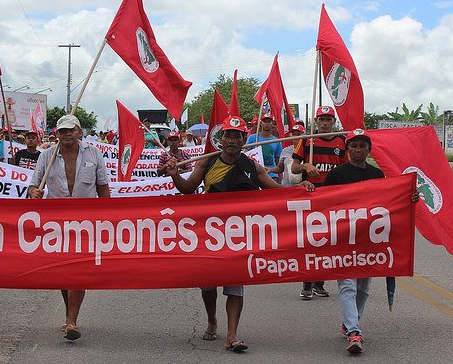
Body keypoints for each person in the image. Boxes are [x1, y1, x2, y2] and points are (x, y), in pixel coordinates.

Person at [165, 116, 314, 353]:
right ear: (220, 139)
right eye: (228, 135)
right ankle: (212, 321)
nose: (232, 140)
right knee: (208, 286)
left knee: (235, 286)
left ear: (244, 140)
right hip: (209, 234)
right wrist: (175, 175)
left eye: (237, 136)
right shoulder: (206, 163)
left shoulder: (252, 167)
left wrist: (298, 189)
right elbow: (187, 189)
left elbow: (276, 191)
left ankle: (232, 335)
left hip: (238, 236)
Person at [323, 129, 419, 354]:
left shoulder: (377, 175)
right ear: (347, 150)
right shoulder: (336, 175)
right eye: (354, 146)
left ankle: (349, 322)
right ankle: (354, 331)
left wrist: (409, 198)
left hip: (369, 241)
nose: (358, 150)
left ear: (369, 150)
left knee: (364, 288)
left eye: (362, 146)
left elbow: (390, 202)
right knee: (347, 284)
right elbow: (321, 204)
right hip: (344, 239)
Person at [28, 115, 110, 341]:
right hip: (57, 223)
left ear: (79, 132)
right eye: (62, 131)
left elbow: (103, 188)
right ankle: (69, 316)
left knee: (78, 271)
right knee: (64, 272)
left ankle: (72, 320)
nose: (66, 135)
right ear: (57, 135)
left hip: (87, 221)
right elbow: (33, 186)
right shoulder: (47, 156)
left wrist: (109, 218)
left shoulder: (94, 154)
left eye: (70, 130)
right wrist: (34, 193)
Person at [291, 105, 347, 300]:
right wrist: (306, 165)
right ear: (316, 121)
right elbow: (294, 167)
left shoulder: (342, 141)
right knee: (310, 240)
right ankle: (307, 283)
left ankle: (319, 283)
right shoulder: (307, 141)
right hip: (311, 197)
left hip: (332, 198)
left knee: (328, 241)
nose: (324, 123)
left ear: (333, 122)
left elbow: (347, 168)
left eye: (328, 120)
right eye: (321, 119)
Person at [245, 115, 282, 183]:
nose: (267, 123)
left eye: (269, 121)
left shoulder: (277, 141)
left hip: (272, 175)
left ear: (272, 123)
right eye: (265, 121)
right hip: (255, 173)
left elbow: (278, 160)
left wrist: (276, 171)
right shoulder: (252, 138)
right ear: (261, 123)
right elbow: (246, 151)